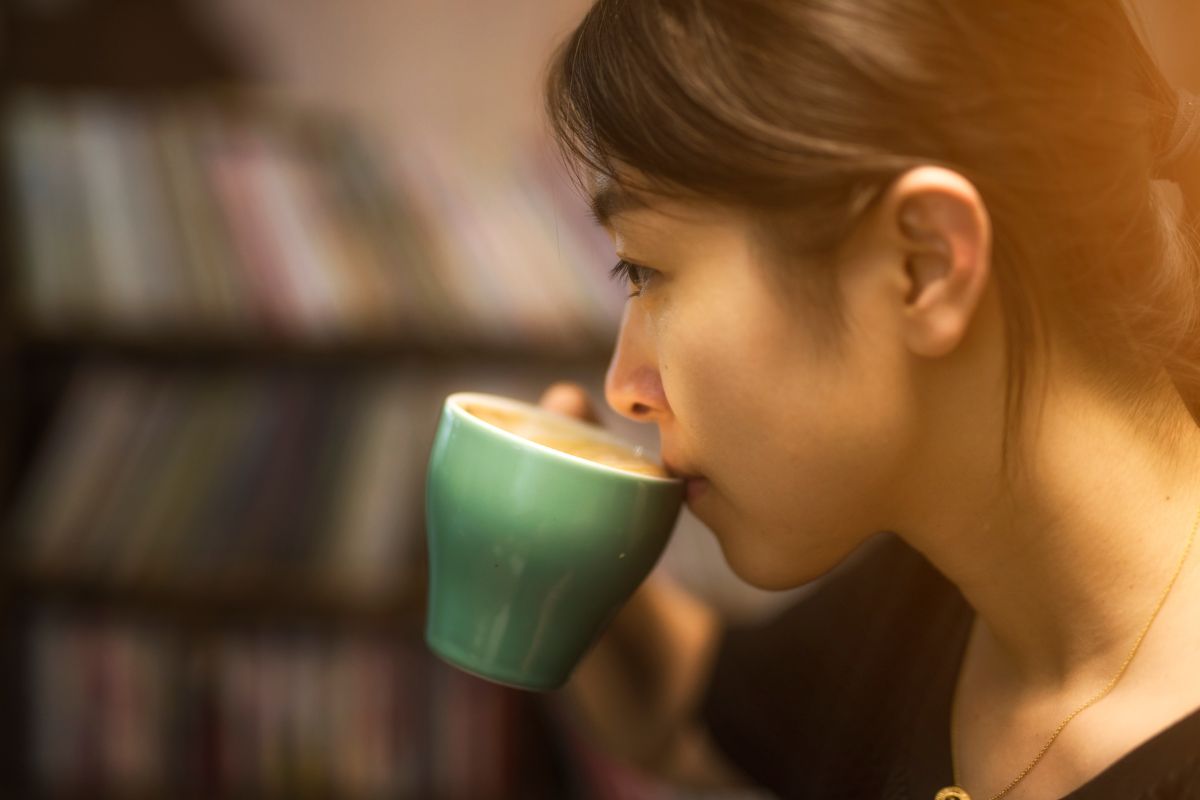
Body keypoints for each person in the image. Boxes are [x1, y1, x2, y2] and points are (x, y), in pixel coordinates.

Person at [533, 1, 1200, 799]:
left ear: (923, 265)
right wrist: (555, 543)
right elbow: (685, 713)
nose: (624, 388)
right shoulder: (925, 592)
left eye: (647, 271)